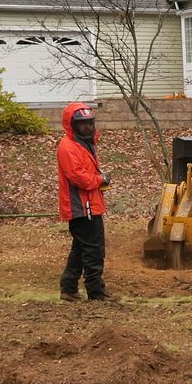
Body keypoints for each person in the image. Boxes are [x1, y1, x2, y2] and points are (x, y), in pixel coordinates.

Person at [57, 103, 110, 300]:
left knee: (81, 248)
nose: (87, 127)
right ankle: (96, 292)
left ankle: (69, 288)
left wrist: (99, 179)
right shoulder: (68, 147)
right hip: (82, 206)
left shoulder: (84, 143)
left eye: (90, 123)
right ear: (72, 125)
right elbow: (79, 177)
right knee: (94, 249)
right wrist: (101, 179)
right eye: (82, 124)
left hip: (87, 204)